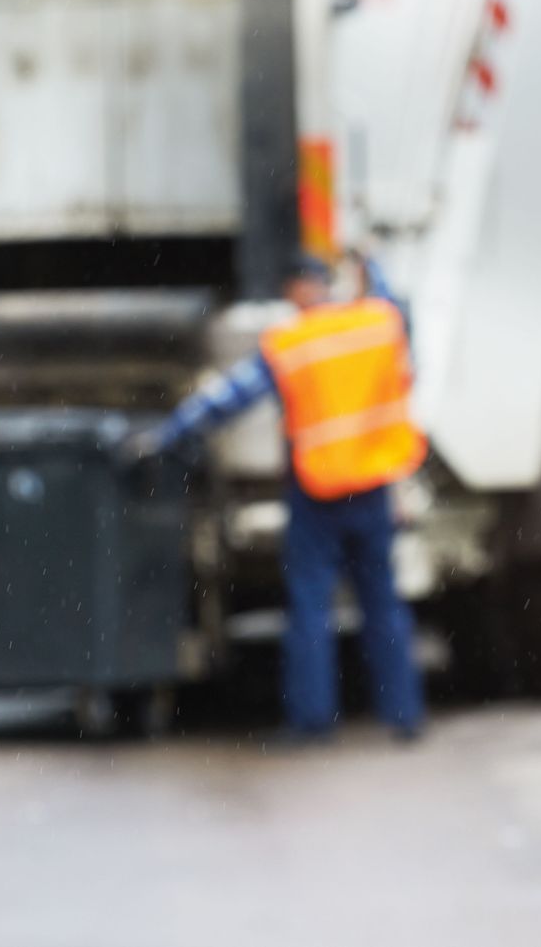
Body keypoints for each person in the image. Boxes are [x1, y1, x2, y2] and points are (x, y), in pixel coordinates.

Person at [134, 252, 428, 743]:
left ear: (296, 289)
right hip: (373, 489)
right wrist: (370, 260)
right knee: (382, 604)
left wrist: (166, 436)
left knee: (312, 608)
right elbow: (397, 308)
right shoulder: (376, 324)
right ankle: (404, 716)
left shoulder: (293, 344)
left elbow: (227, 399)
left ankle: (313, 723)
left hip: (318, 496)